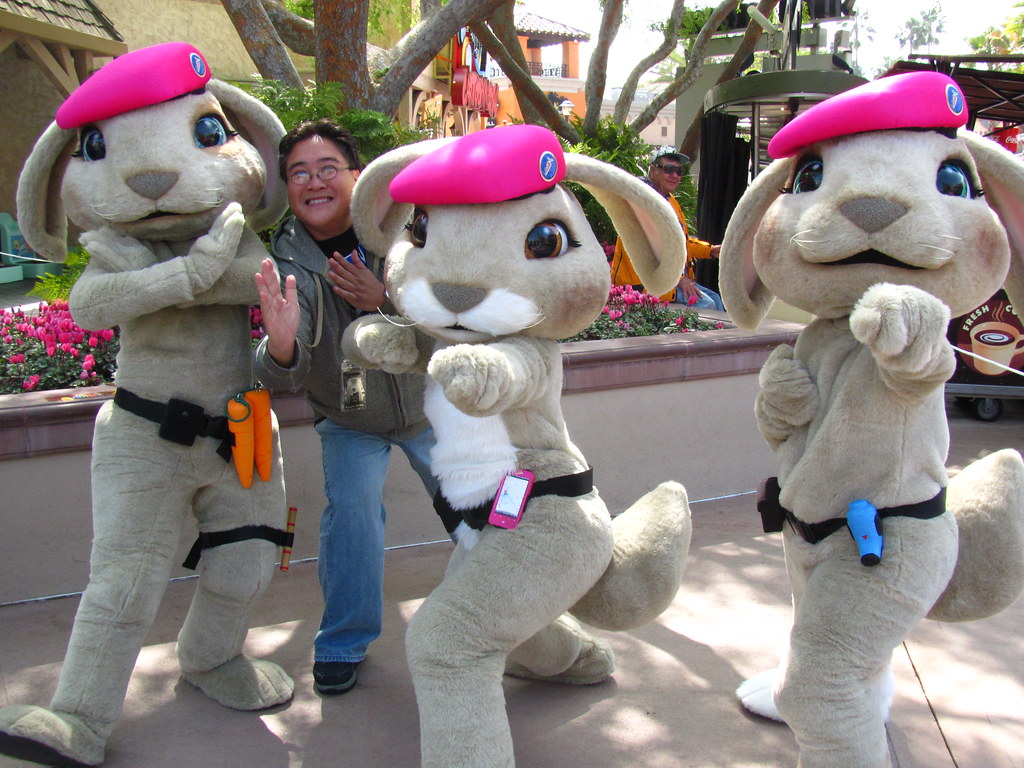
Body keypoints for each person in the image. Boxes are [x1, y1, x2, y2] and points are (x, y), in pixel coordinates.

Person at [253, 119, 443, 696]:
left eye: (327, 168)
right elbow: (277, 366)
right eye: (299, 173)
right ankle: (342, 643)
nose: (314, 182)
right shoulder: (284, 257)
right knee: (353, 512)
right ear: (287, 187)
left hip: (428, 407)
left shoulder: (403, 232)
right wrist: (281, 342)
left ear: (357, 176)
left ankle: (524, 617)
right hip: (348, 415)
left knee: (480, 509)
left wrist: (381, 298)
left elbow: (449, 319)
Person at [609, 146, 725, 310]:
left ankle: (721, 336)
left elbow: (679, 243)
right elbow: (650, 250)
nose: (675, 175)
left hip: (667, 282)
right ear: (652, 170)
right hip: (643, 285)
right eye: (669, 169)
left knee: (716, 300)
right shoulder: (641, 200)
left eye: (679, 171)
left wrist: (711, 250)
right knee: (708, 305)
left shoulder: (669, 200)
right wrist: (678, 279)